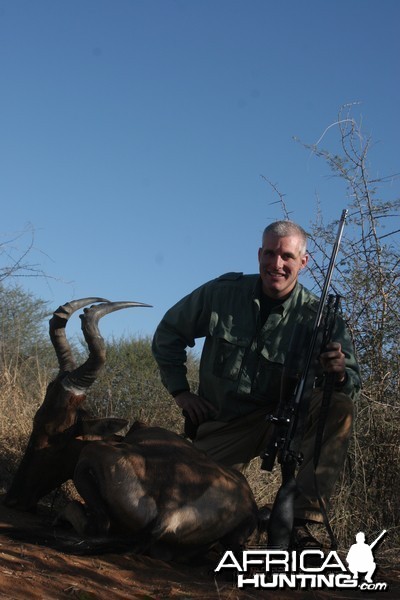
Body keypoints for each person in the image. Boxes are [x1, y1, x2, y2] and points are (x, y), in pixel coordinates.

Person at [152, 220, 360, 541]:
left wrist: (339, 372)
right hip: (223, 425)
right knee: (181, 506)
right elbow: (168, 333)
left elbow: (351, 385)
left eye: (287, 257)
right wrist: (181, 393)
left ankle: (300, 523)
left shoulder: (319, 317)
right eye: (270, 254)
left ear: (303, 262)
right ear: (259, 254)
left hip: (282, 421)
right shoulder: (222, 293)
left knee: (340, 407)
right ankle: (251, 517)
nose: (277, 264)